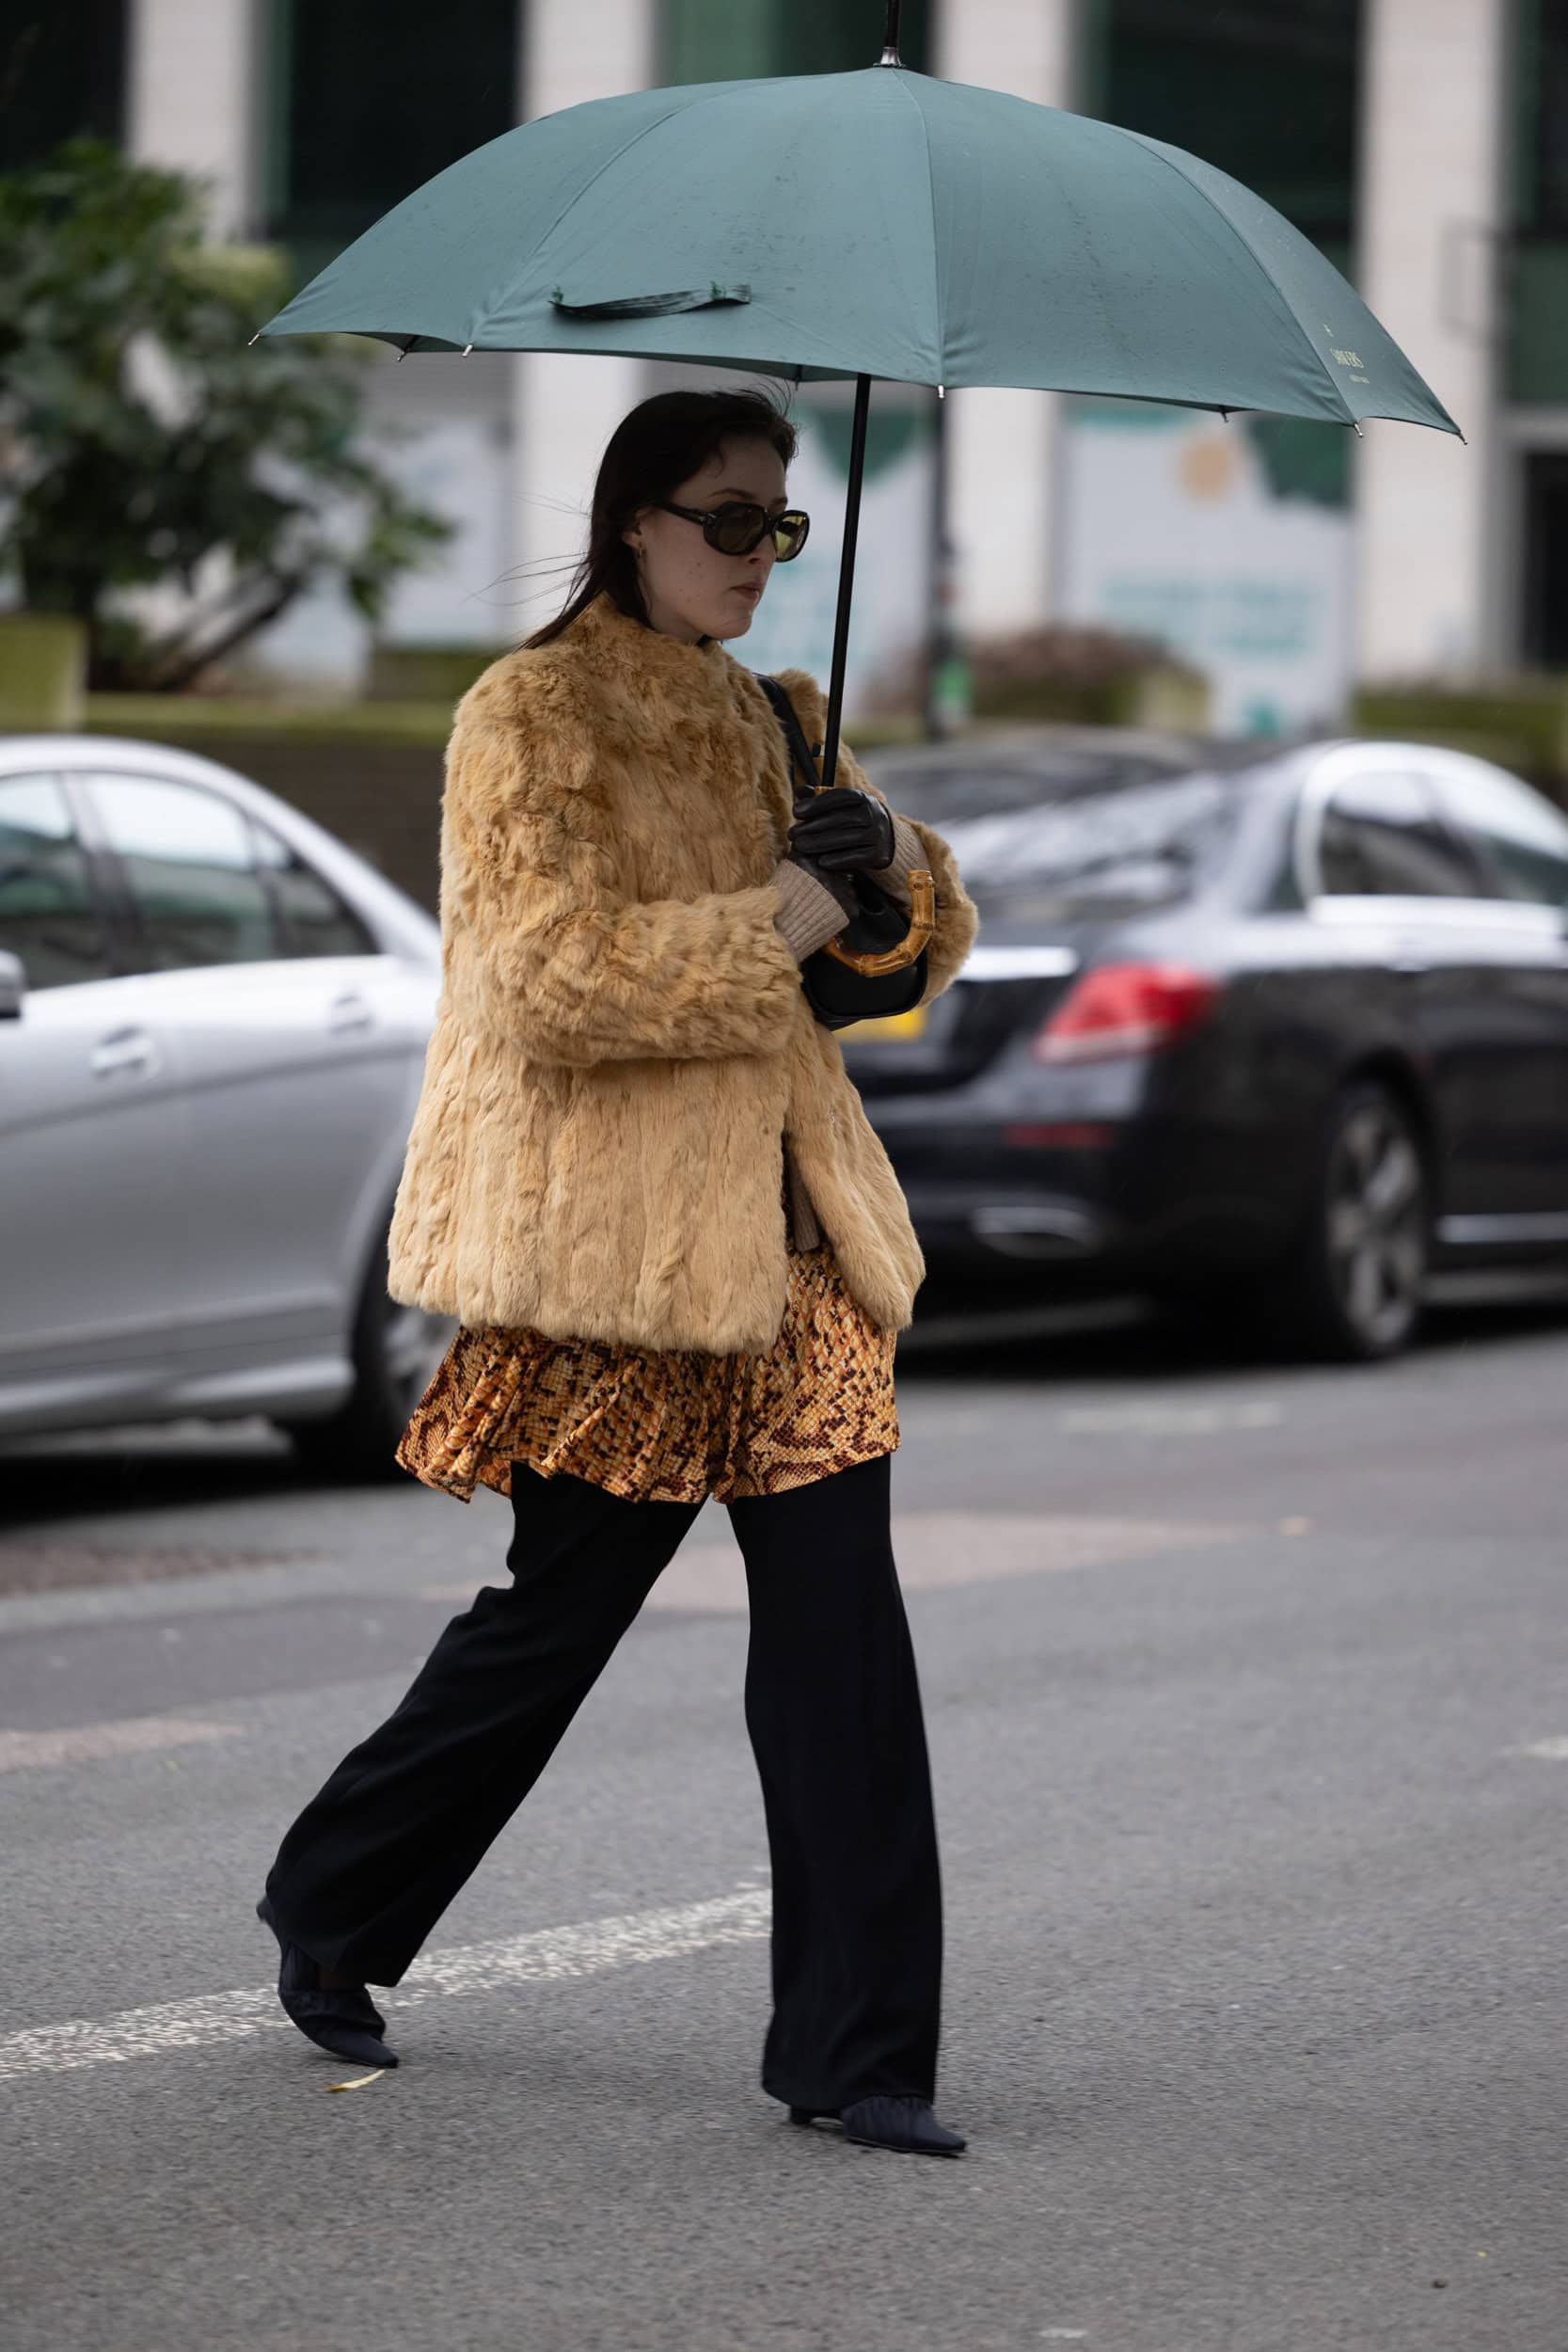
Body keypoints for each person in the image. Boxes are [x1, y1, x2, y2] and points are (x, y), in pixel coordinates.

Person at [255, 386, 980, 2157]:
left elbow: (900, 958)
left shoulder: (783, 719)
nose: (759, 556)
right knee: (554, 1626)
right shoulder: (531, 716)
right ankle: (335, 1905)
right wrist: (790, 912)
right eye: (728, 519)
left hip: (795, 1252)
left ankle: (861, 2059)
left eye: (779, 525)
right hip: (621, 1260)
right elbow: (553, 982)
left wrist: (886, 867)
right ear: (633, 520)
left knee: (842, 1654)